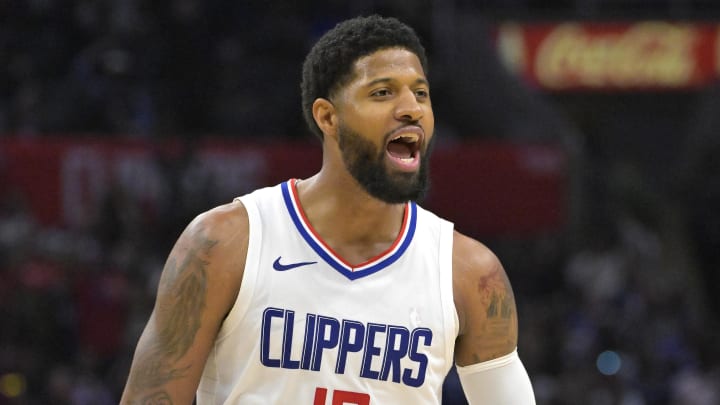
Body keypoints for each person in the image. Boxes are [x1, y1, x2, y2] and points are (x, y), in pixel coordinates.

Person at [120, 15, 535, 404]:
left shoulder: (469, 273)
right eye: (382, 92)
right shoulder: (224, 243)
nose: (411, 108)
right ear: (328, 117)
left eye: (421, 93)